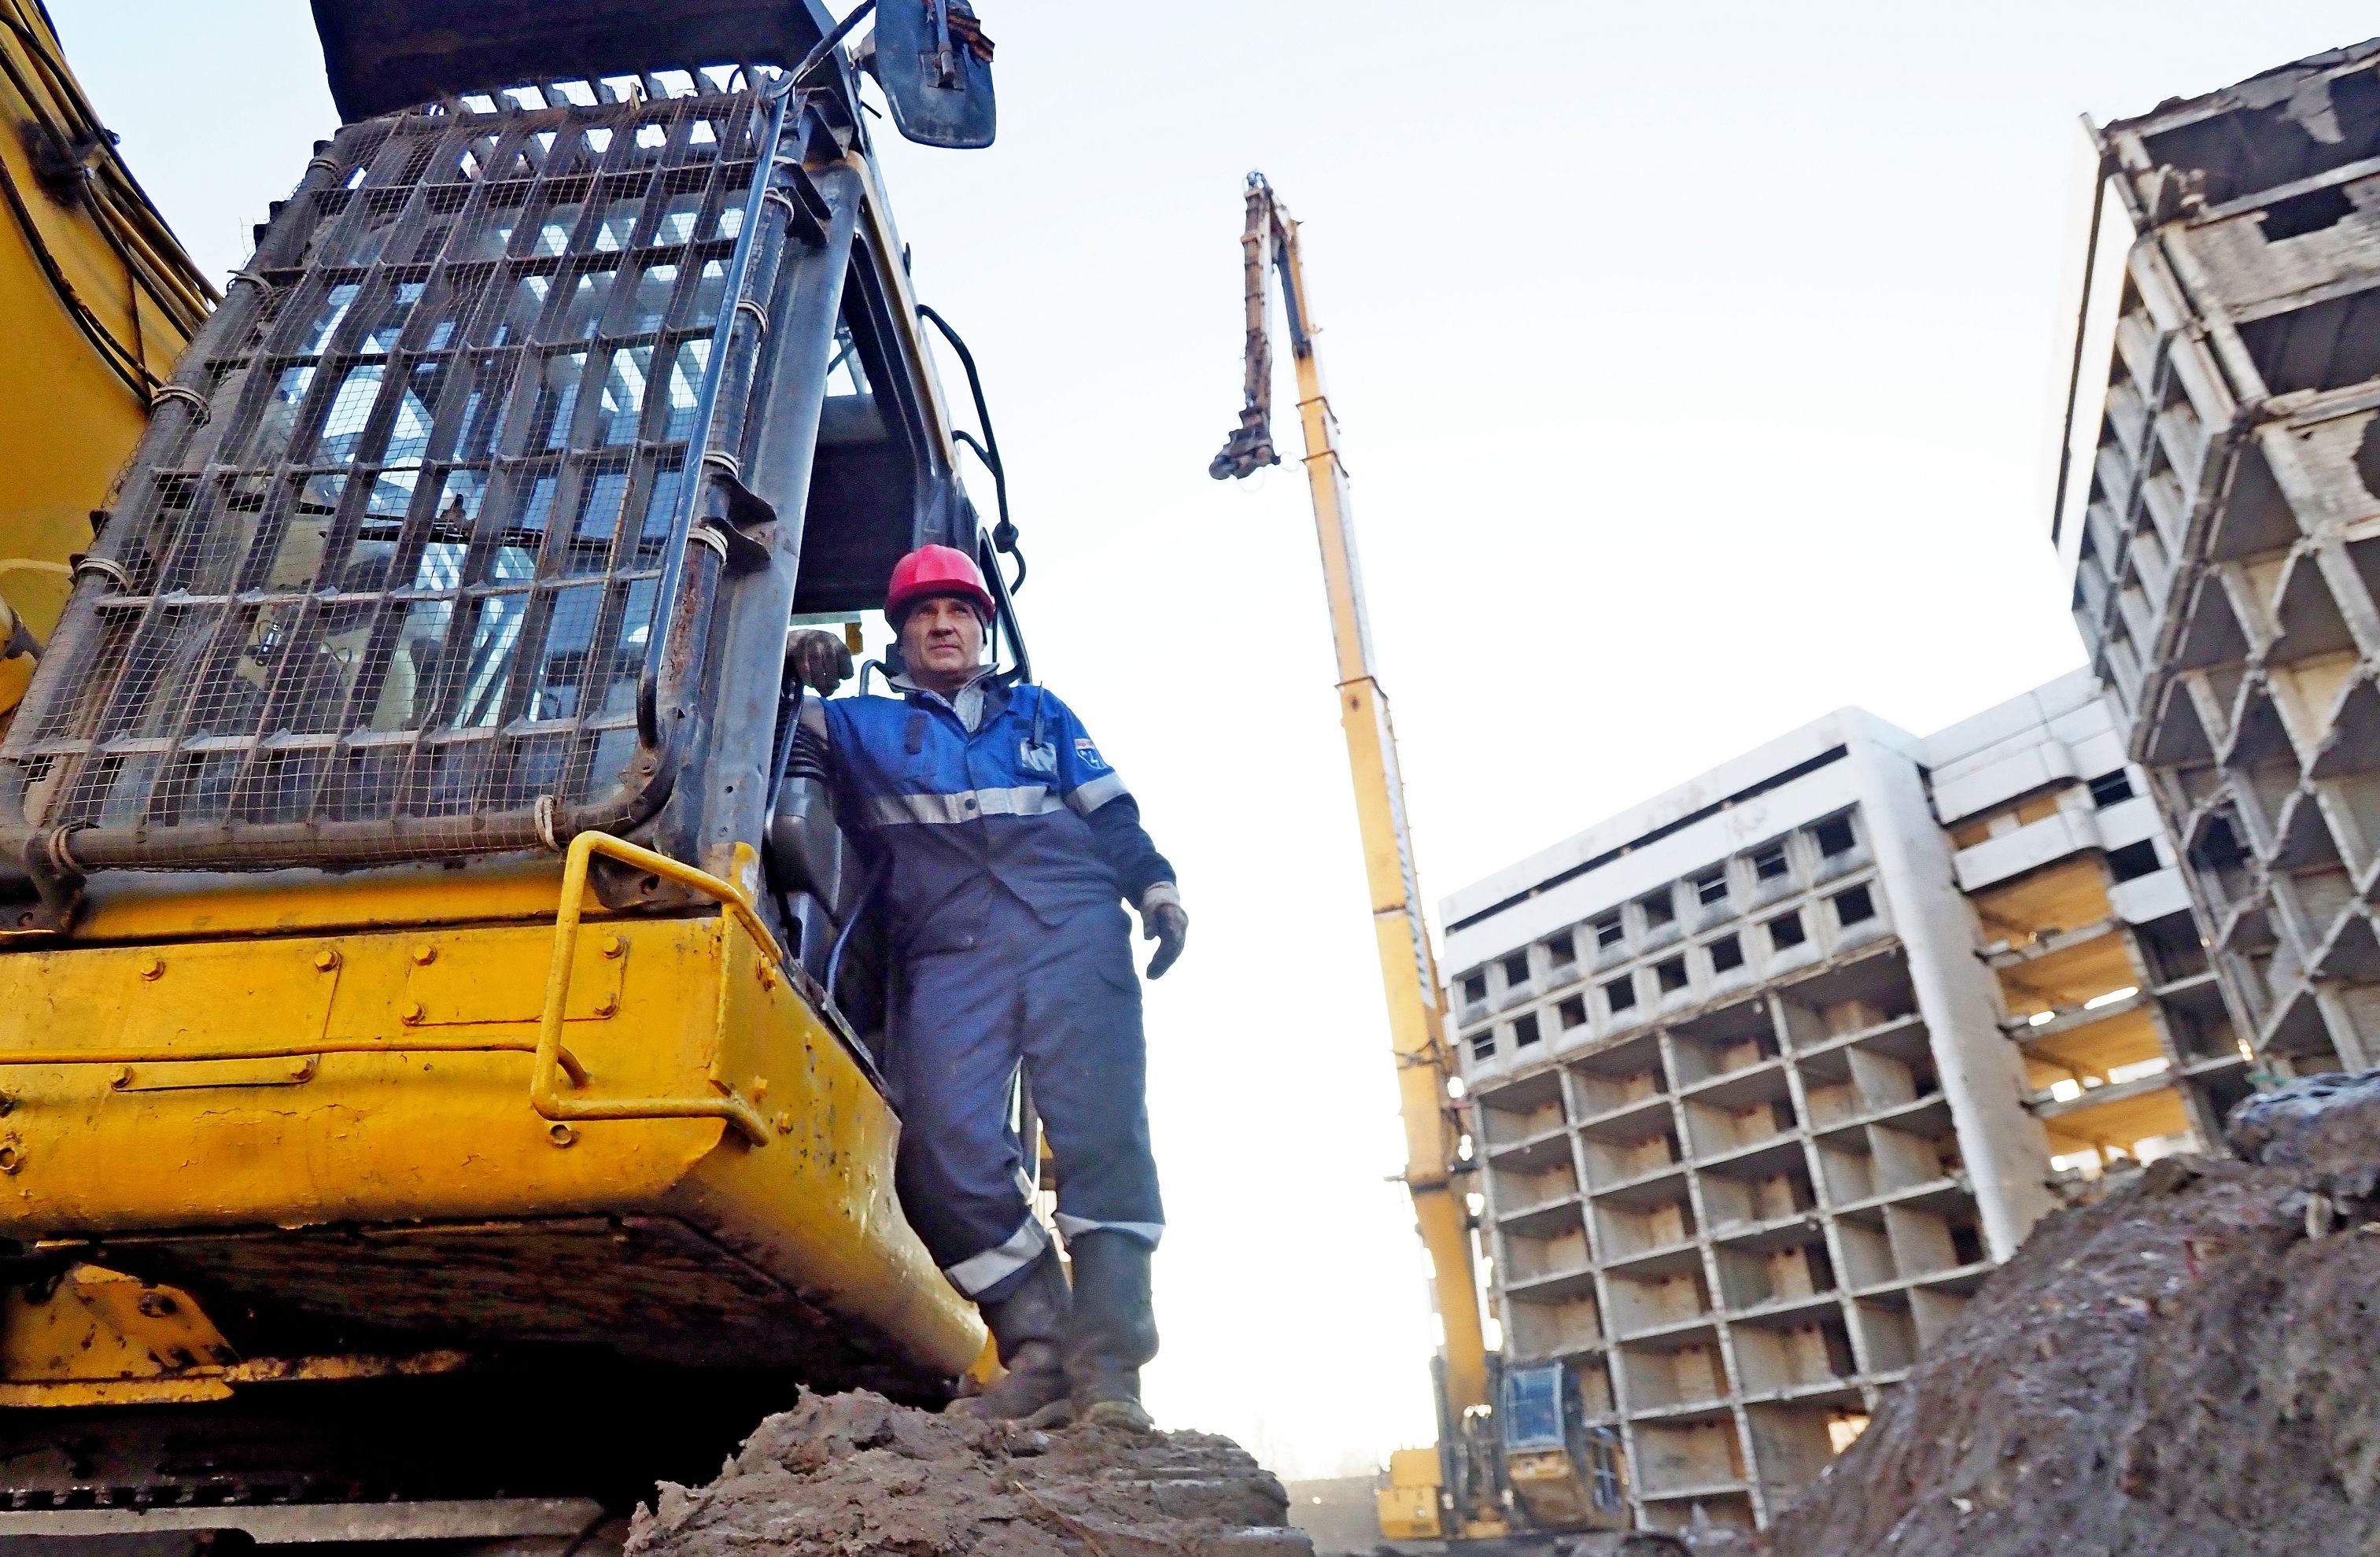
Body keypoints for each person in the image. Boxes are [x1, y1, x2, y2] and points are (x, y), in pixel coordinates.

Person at [784, 544, 1186, 1430]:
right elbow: (775, 732)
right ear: (899, 636)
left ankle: (1112, 1369)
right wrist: (797, 656)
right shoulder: (854, 725)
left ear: (981, 626)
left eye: (958, 611)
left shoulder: (1040, 713)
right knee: (938, 1154)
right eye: (923, 614)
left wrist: (1153, 886)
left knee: (1103, 1142)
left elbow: (1110, 811)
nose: (942, 625)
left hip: (1071, 933)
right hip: (951, 948)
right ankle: (1039, 1346)